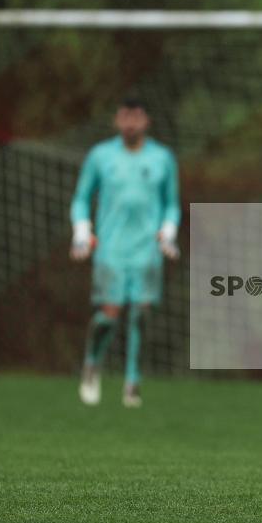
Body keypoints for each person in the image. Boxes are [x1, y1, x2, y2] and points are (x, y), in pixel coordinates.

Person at [69, 97, 180, 408]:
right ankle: (92, 362)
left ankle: (133, 381)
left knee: (141, 313)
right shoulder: (101, 156)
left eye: (136, 116)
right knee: (110, 314)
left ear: (146, 121)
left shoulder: (162, 158)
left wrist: (168, 232)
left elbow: (171, 202)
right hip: (111, 248)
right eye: (124, 116)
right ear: (117, 121)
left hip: (146, 248)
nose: (130, 122)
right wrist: (82, 232)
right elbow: (80, 198)